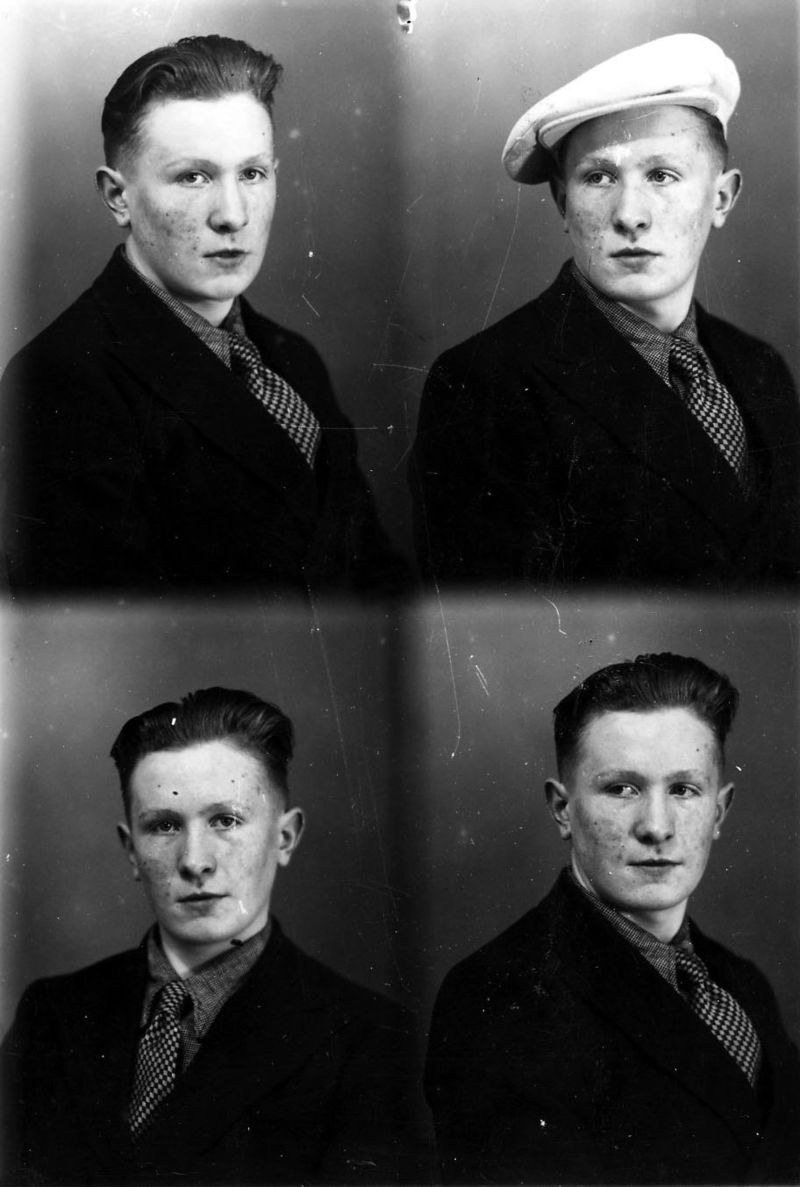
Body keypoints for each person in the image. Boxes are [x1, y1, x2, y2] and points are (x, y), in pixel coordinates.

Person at [1, 35, 405, 595]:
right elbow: (106, 632)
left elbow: (376, 583)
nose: (232, 215)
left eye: (252, 174)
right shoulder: (62, 378)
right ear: (117, 197)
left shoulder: (292, 359)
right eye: (193, 176)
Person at [411, 34, 800, 587]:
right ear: (562, 203)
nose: (629, 215)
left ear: (721, 198)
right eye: (599, 177)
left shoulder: (761, 369)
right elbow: (495, 626)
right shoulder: (486, 383)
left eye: (662, 175)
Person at [1, 688, 413, 1184]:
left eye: (226, 820)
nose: (195, 861)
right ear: (131, 851)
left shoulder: (370, 1040)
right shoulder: (53, 1016)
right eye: (164, 826)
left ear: (284, 838)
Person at [425, 653, 800, 1184]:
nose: (656, 827)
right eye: (622, 788)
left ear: (719, 811)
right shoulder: (499, 996)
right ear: (563, 809)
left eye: (684, 789)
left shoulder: (742, 984)